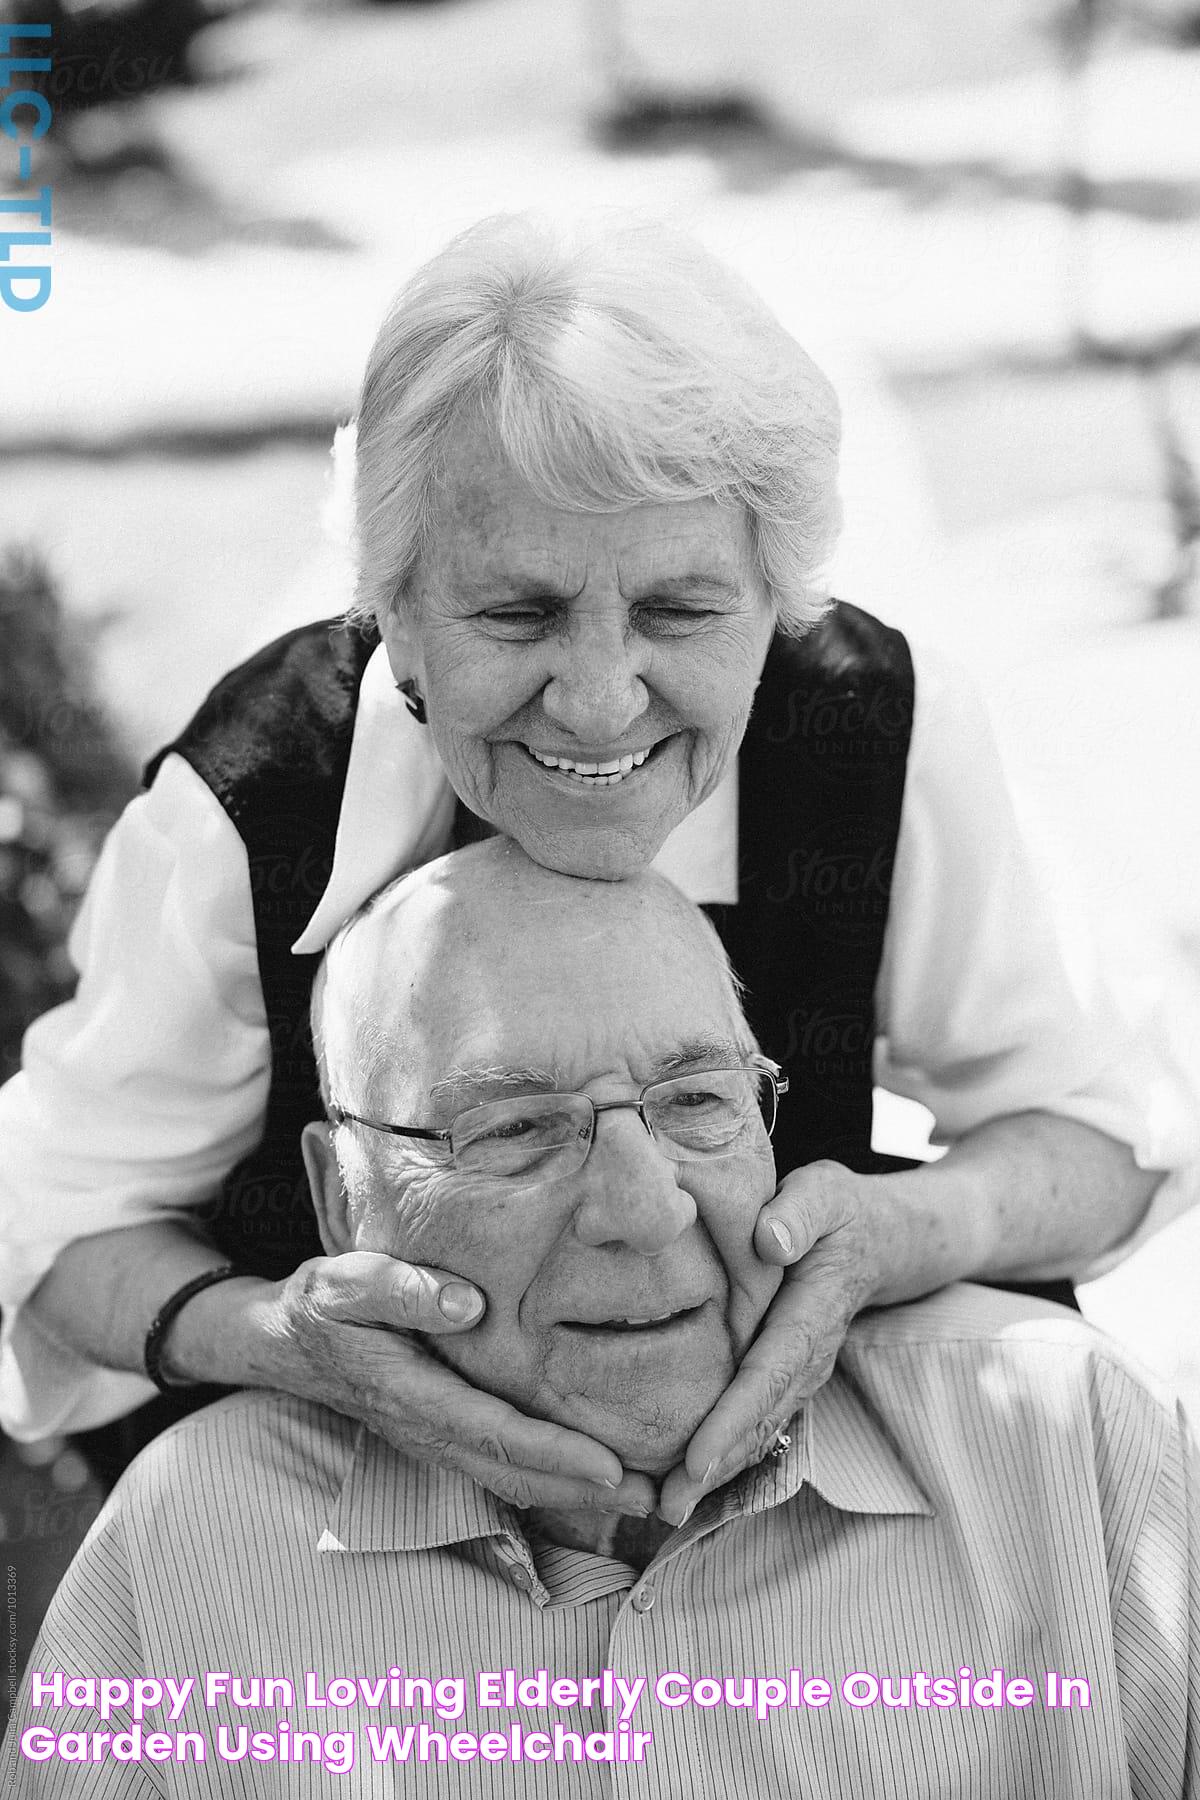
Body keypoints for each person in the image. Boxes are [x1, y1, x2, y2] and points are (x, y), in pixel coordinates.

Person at [0, 212, 1190, 1521]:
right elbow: (53, 1211)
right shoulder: (260, 794)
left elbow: (1108, 1126)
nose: (602, 702)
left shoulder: (878, 736)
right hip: (345, 1537)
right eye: (518, 612)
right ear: (389, 603)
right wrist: (279, 1336)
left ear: (776, 594)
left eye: (681, 610)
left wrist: (914, 1231)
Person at [4, 841, 1197, 1799]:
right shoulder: (187, 1551)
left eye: (694, 1102)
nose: (642, 1207)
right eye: (515, 1128)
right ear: (339, 1200)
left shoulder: (1072, 1445)